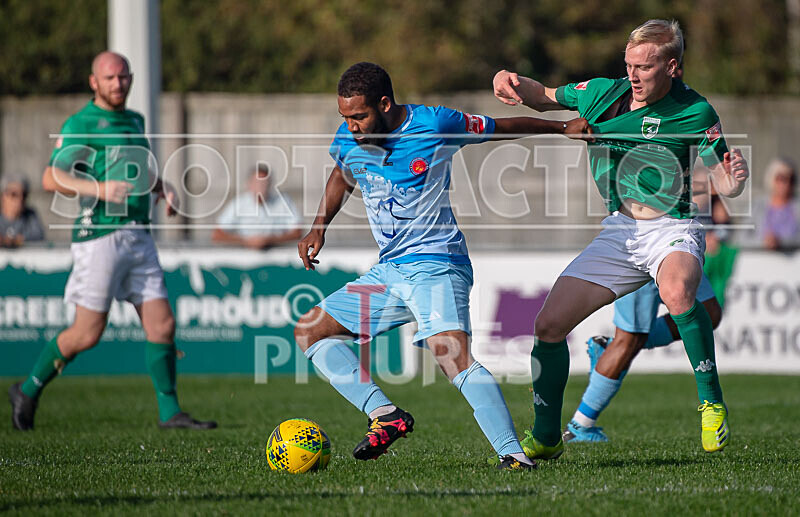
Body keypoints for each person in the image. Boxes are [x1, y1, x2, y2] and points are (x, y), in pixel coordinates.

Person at [295, 62, 591, 470]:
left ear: (385, 103)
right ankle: (385, 415)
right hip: (390, 271)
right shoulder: (349, 136)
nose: (353, 127)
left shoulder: (435, 124)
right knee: (311, 331)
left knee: (451, 353)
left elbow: (499, 128)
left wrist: (561, 129)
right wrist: (318, 227)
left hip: (437, 263)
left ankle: (514, 455)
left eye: (360, 116)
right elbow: (342, 174)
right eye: (345, 117)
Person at [493, 19, 749, 457]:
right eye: (629, 64)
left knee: (678, 293)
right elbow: (546, 97)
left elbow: (724, 178)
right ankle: (549, 435)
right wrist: (511, 81)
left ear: (672, 67)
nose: (633, 75)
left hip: (673, 226)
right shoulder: (601, 93)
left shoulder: (695, 111)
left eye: (644, 67)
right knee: (548, 327)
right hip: (620, 230)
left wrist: (735, 180)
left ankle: (711, 403)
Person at [7, 51, 216, 431]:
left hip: (138, 233)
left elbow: (140, 169)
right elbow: (51, 178)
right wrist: (98, 187)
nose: (118, 84)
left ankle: (170, 413)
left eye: (123, 77)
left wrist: (161, 187)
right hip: (99, 235)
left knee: (163, 326)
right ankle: (28, 388)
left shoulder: (135, 119)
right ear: (94, 83)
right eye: (109, 78)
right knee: (87, 333)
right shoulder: (82, 123)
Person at [560, 67, 727, 443]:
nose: (638, 75)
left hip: (677, 236)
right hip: (639, 238)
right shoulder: (622, 106)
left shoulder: (687, 109)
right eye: (633, 66)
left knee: (709, 313)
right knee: (629, 338)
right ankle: (580, 425)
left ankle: (604, 352)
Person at [212, 164, 302, 249]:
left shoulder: (283, 202)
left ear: (270, 184)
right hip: (245, 260)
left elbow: (297, 233)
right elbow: (217, 234)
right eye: (257, 183)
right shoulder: (239, 203)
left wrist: (269, 240)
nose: (261, 187)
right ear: (249, 184)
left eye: (264, 183)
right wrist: (246, 241)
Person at [757, 158, 799, 251]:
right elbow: (740, 237)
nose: (786, 184)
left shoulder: (797, 207)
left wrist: (781, 242)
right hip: (760, 262)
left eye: (791, 179)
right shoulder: (758, 206)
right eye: (781, 178)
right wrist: (764, 241)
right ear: (771, 179)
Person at [0, 173, 45, 247]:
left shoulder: (31, 216)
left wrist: (18, 240)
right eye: (14, 194)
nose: (20, 199)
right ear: (3, 196)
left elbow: (39, 238)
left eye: (24, 195)